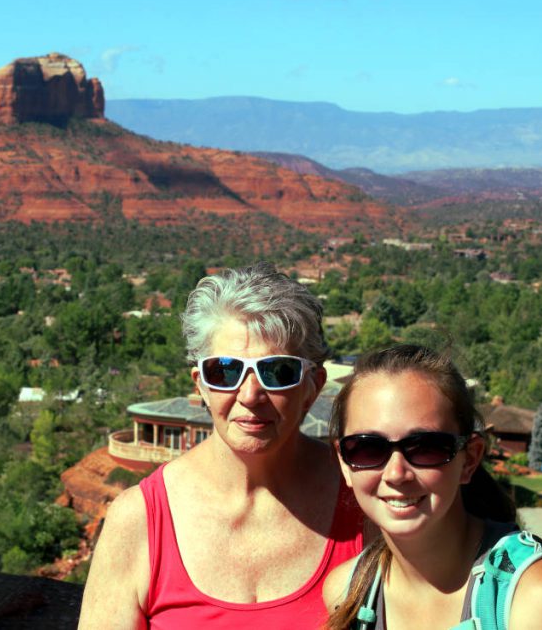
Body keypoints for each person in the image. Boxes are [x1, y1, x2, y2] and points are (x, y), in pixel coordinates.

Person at [79, 263, 364, 628]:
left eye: (278, 372)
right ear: (201, 385)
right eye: (225, 371)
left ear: (313, 385)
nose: (250, 395)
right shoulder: (139, 520)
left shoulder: (362, 499)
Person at [322, 344, 542, 629]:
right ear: (344, 461)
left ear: (470, 459)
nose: (396, 473)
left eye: (426, 447)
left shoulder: (536, 597)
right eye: (367, 449)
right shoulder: (349, 594)